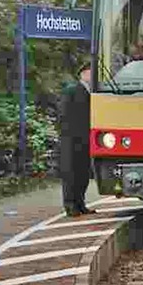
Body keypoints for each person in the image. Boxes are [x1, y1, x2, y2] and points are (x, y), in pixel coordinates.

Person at [58, 62, 93, 217]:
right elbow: (63, 113)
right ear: (83, 74)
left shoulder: (92, 92)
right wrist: (68, 133)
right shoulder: (71, 90)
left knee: (83, 173)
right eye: (91, 72)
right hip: (71, 138)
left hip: (86, 138)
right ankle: (70, 205)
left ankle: (80, 203)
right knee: (70, 172)